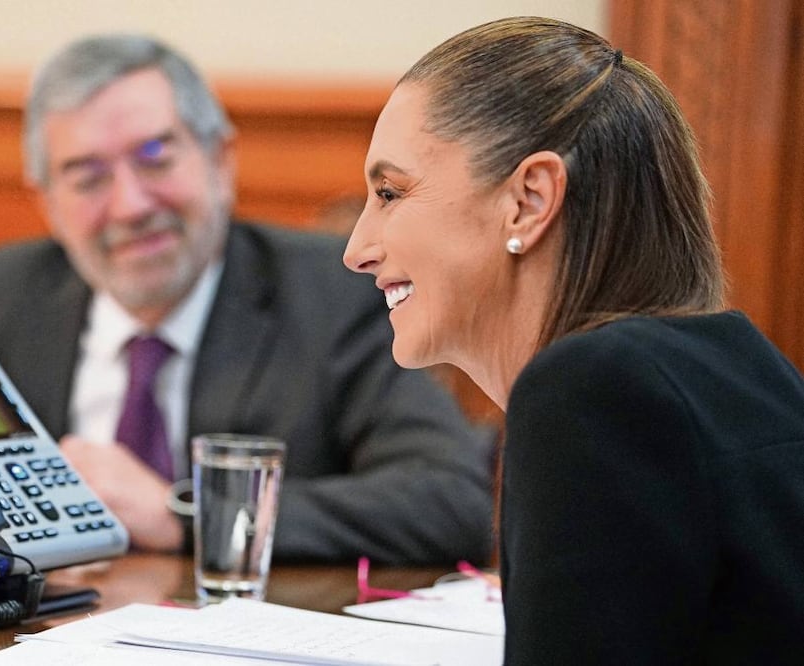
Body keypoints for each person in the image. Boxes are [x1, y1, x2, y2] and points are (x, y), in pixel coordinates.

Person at [0, 34, 496, 566]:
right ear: (47, 202)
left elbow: (446, 501)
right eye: (86, 177)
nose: (129, 206)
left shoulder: (330, 294)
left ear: (220, 159)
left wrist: (184, 513)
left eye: (155, 158)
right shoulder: (1, 289)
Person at [343, 16, 804, 664]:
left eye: (389, 192)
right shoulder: (737, 363)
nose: (355, 250)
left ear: (529, 201)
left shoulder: (592, 390)